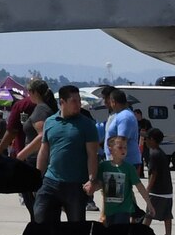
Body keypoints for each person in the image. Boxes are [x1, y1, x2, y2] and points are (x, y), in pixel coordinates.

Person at [33, 83, 99, 224]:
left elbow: (92, 155)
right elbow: (44, 151)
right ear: (62, 102)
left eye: (79, 101)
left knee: (76, 230)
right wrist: (37, 177)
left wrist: (92, 180)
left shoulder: (87, 124)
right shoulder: (50, 122)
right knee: (40, 220)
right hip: (50, 182)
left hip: (75, 185)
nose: (78, 104)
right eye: (74, 101)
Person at [99, 132, 142, 226]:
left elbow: (138, 187)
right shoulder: (104, 167)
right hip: (109, 209)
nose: (123, 150)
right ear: (110, 149)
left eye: (125, 148)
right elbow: (103, 192)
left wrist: (149, 204)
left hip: (124, 209)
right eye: (120, 147)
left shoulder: (129, 168)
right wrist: (102, 214)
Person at [141, 128, 175, 235]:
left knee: (149, 212)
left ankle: (142, 233)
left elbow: (153, 174)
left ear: (152, 140)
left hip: (157, 190)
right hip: (167, 189)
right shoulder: (161, 152)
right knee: (167, 214)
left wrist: (148, 188)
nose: (145, 141)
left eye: (147, 139)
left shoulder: (154, 154)